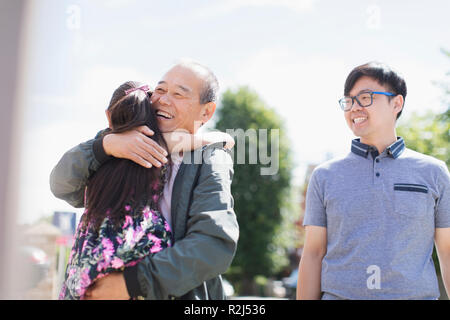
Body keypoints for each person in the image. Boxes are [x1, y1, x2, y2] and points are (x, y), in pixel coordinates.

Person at [50, 61, 239, 300]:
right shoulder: (118, 144)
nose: (164, 100)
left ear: (206, 112)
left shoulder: (208, 159)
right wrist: (104, 146)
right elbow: (61, 185)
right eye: (159, 90)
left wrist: (130, 284)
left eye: (179, 94)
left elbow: (213, 245)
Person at [297, 62, 450, 300]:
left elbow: (447, 251)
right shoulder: (324, 176)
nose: (354, 108)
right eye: (349, 101)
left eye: (365, 97)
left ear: (396, 103)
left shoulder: (434, 172)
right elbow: (314, 253)